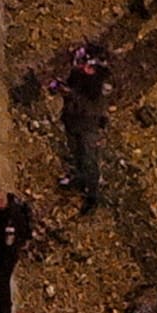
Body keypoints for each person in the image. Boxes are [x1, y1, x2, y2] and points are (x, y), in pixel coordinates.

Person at [55, 44, 110, 213]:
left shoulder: (101, 85)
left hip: (88, 126)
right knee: (76, 154)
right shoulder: (78, 74)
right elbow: (71, 88)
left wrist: (71, 95)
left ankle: (92, 196)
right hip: (72, 120)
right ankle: (77, 179)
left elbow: (93, 108)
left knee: (89, 161)